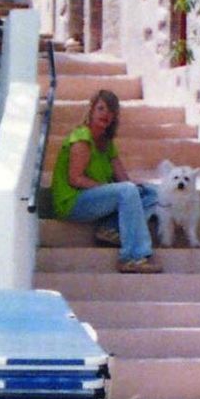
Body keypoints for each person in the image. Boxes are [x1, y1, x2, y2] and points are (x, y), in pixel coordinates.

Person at [49, 89, 162, 273]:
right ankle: (132, 257)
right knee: (126, 191)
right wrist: (112, 188)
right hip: (72, 201)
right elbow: (75, 178)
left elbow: (124, 180)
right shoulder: (82, 138)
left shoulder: (107, 143)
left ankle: (110, 230)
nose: (106, 114)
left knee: (150, 192)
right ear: (91, 111)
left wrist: (136, 188)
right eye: (101, 108)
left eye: (111, 111)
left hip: (97, 198)